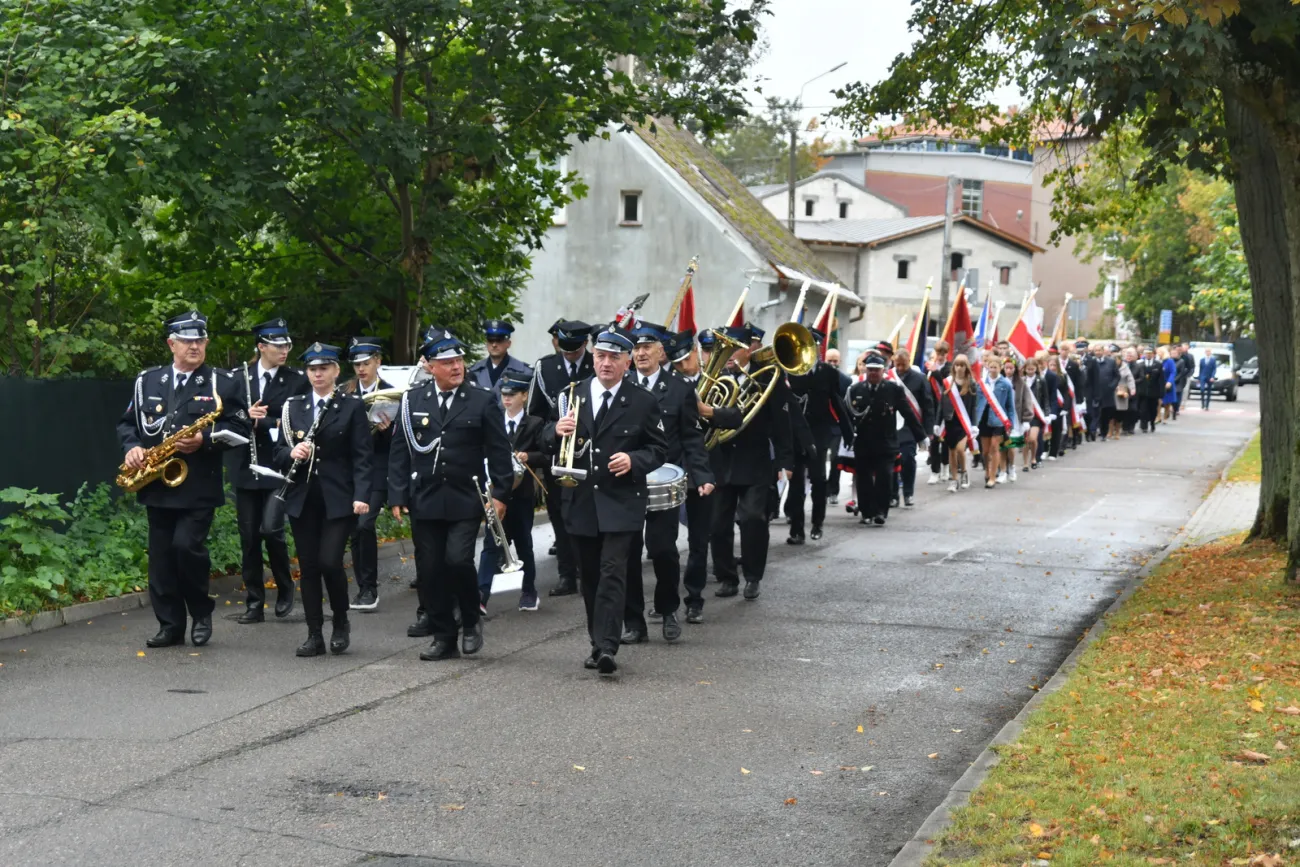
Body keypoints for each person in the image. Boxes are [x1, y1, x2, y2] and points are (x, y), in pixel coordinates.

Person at [117, 311, 249, 648]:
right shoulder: (147, 380)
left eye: (200, 340)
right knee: (161, 558)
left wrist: (205, 440)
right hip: (157, 483)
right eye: (187, 340)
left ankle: (201, 613)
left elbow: (241, 427)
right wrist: (132, 448)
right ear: (171, 343)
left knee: (186, 547)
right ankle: (170, 625)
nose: (195, 346)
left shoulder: (222, 381)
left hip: (198, 486)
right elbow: (128, 425)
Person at [548, 326, 666, 676]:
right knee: (591, 579)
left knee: (613, 572)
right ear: (593, 357)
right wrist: (554, 431)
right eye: (600, 356)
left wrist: (634, 461)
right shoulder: (573, 394)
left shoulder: (642, 401)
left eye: (614, 357)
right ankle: (597, 642)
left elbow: (660, 449)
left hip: (621, 502)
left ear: (627, 362)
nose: (606, 363)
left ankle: (608, 647)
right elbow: (542, 437)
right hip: (581, 500)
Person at [390, 328, 514, 661]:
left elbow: (500, 450)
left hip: (465, 496)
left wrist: (500, 494)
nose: (456, 366)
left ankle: (471, 621)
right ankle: (444, 636)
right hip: (426, 497)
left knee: (457, 560)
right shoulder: (413, 399)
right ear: (430, 366)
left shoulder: (482, 398)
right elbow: (400, 450)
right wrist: (397, 494)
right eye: (447, 362)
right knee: (430, 570)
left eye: (459, 359)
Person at [272, 343, 372, 656]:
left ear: (335, 371)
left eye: (324, 368)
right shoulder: (293, 406)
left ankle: (340, 621)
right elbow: (277, 452)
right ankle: (314, 633)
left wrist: (361, 495)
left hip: (339, 497)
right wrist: (291, 452)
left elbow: (363, 456)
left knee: (330, 561)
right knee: (309, 567)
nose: (318, 374)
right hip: (303, 498)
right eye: (313, 369)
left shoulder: (351, 406)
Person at [621, 323, 712, 643]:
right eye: (636, 348)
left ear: (662, 352)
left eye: (648, 348)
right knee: (628, 552)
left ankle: (668, 608)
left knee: (662, 549)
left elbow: (691, 437)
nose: (641, 353)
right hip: (625, 479)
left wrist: (701, 476)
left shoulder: (680, 388)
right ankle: (633, 621)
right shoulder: (622, 384)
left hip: (664, 482)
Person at [701, 324, 794, 601]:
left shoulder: (768, 379)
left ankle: (753, 575)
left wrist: (784, 461)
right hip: (719, 460)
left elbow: (782, 424)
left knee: (753, 519)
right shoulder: (714, 378)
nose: (729, 355)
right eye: (724, 348)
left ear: (749, 349)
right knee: (717, 524)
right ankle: (727, 576)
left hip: (754, 461)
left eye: (736, 348)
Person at [229, 318, 309, 624]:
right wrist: (244, 415)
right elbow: (224, 412)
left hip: (278, 465)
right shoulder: (240, 378)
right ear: (261, 346)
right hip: (246, 466)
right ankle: (254, 600)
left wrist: (269, 422)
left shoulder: (296, 380)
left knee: (272, 529)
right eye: (278, 345)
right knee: (249, 536)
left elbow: (300, 418)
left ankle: (285, 586)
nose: (284, 350)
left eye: (287, 344)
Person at [528, 319, 595, 597]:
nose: (569, 354)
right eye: (564, 348)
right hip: (557, 452)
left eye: (575, 348)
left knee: (590, 514)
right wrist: (545, 440)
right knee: (560, 513)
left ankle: (589, 569)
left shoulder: (597, 363)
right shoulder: (545, 367)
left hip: (590, 453)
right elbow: (535, 413)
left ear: (585, 344)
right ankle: (567, 574)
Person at [475, 373, 545, 611]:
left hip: (522, 493)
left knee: (524, 542)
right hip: (496, 492)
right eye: (504, 394)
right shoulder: (493, 419)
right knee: (491, 544)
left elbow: (546, 454)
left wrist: (529, 456)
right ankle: (481, 596)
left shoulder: (535, 423)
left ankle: (529, 590)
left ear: (524, 396)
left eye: (512, 395)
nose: (506, 399)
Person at [785, 329, 853, 542]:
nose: (810, 350)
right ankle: (797, 530)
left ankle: (817, 523)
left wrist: (847, 431)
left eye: (813, 346)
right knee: (795, 483)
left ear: (818, 348)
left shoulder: (828, 372)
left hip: (819, 433)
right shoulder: (791, 371)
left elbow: (836, 402)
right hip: (797, 434)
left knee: (818, 479)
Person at [667, 329, 714, 623]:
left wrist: (710, 412)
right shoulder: (669, 386)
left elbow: (739, 415)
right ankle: (666, 599)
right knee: (665, 542)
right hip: (674, 467)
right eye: (677, 363)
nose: (684, 367)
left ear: (696, 352)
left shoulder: (718, 378)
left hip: (706, 465)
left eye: (687, 359)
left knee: (700, 539)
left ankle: (694, 597)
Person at [344, 337, 394, 611]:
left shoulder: (392, 392)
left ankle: (369, 587)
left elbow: (401, 440)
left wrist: (389, 430)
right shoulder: (345, 392)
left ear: (378, 362)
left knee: (364, 525)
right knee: (355, 529)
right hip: (351, 470)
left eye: (366, 363)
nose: (361, 369)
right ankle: (364, 586)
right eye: (357, 364)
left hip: (377, 469)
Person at [846, 352, 925, 524]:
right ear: (866, 370)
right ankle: (866, 512)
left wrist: (921, 436)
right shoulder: (855, 390)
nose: (873, 373)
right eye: (870, 370)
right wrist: (847, 437)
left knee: (884, 477)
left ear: (883, 371)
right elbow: (848, 416)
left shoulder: (893, 389)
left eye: (877, 370)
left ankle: (881, 511)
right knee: (864, 479)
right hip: (863, 443)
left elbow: (908, 414)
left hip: (886, 442)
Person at [890, 347, 934, 507]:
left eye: (903, 365)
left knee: (908, 458)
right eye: (897, 365)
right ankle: (893, 495)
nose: (900, 368)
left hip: (910, 426)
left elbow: (928, 405)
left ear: (909, 361)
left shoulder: (919, 379)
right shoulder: (890, 377)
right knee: (892, 461)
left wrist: (928, 432)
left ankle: (908, 493)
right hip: (892, 426)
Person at [974, 352, 1016, 487]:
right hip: (983, 418)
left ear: (1000, 367)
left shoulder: (1006, 384)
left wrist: (1011, 423)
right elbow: (976, 403)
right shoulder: (981, 383)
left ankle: (992, 477)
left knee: (995, 447)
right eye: (990, 367)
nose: (992, 370)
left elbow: (1010, 406)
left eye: (995, 367)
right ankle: (987, 471)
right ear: (987, 367)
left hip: (998, 419)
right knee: (985, 451)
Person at [467, 319, 532, 403]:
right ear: (486, 343)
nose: (494, 345)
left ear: (508, 343)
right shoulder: (474, 371)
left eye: (499, 340)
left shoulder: (525, 372)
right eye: (491, 340)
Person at [938, 354, 977, 493]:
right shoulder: (948, 382)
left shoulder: (971, 383)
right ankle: (954, 480)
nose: (959, 368)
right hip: (950, 421)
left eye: (962, 365)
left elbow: (974, 407)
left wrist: (974, 425)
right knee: (951, 452)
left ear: (966, 367)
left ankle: (964, 471)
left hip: (964, 422)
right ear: (953, 367)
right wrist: (938, 423)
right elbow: (941, 405)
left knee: (960, 449)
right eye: (957, 365)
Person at [823, 348, 852, 505]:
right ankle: (819, 488)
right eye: (829, 361)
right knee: (818, 460)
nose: (832, 364)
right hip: (821, 426)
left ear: (839, 362)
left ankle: (833, 490)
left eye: (835, 361)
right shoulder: (818, 377)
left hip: (836, 426)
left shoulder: (846, 381)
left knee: (835, 459)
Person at [1017, 356, 1045, 471]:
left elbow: (1045, 398)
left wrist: (1047, 413)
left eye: (1032, 369)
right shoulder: (1020, 381)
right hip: (1024, 414)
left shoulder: (1041, 380)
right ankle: (1025, 463)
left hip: (1036, 414)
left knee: (1033, 438)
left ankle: (1033, 457)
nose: (1030, 371)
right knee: (1025, 439)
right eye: (1028, 369)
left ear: (1036, 369)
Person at [1134, 346, 1164, 432]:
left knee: (1152, 409)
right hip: (1143, 391)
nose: (1148, 355)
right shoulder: (1139, 364)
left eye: (1150, 353)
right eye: (1146, 353)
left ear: (1153, 354)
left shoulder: (1158, 364)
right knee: (1143, 409)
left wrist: (1161, 393)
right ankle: (1144, 426)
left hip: (1154, 392)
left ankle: (1152, 423)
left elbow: (1161, 380)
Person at [1119, 348, 1139, 434]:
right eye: (1127, 355)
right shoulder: (1121, 365)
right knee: (1124, 409)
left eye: (1131, 356)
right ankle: (1125, 427)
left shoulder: (1138, 366)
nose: (1129, 357)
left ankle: (1132, 426)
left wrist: (1133, 384)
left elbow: (1141, 377)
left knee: (1133, 409)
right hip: (1122, 390)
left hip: (1133, 390)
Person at [1159, 346, 1179, 422]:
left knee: (1167, 401)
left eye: (1160, 352)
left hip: (1167, 383)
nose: (1159, 354)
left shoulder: (1169, 361)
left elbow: (1173, 372)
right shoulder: (1158, 360)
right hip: (1159, 383)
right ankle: (1158, 416)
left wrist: (1169, 382)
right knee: (1158, 401)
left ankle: (1165, 416)